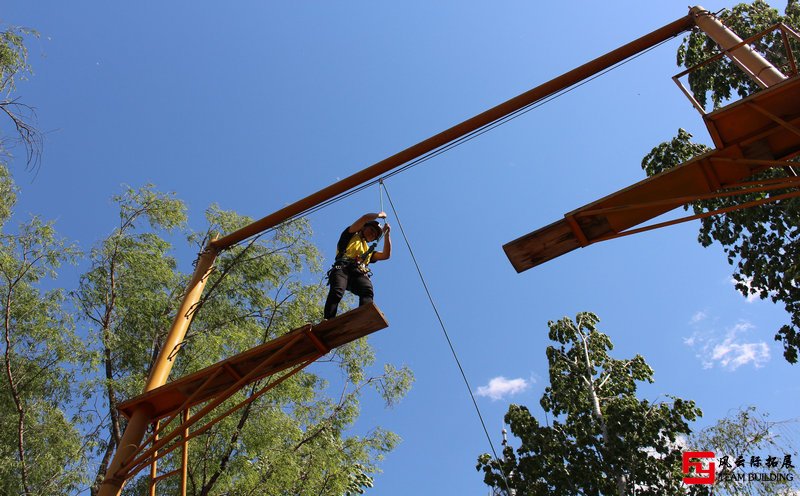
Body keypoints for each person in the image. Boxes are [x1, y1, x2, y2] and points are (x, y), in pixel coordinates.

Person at [323, 211, 391, 319]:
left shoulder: (369, 251)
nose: (372, 234)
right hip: (342, 268)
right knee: (337, 291)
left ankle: (363, 317)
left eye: (375, 235)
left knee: (367, 290)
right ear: (364, 228)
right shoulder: (350, 234)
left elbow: (386, 255)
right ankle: (328, 318)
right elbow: (365, 218)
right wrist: (379, 215)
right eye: (371, 230)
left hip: (358, 274)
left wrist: (387, 235)